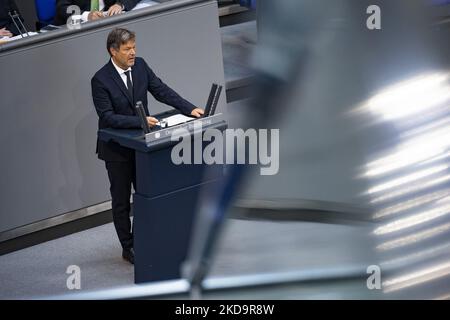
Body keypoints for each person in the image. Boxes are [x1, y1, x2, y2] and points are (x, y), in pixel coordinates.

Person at [91, 28, 204, 264]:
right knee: (122, 200)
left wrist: (189, 108)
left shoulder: (140, 65)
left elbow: (161, 90)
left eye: (134, 47)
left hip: (144, 146)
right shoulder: (100, 80)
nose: (133, 52)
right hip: (117, 150)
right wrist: (140, 121)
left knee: (147, 196)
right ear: (113, 51)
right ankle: (128, 247)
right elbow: (107, 117)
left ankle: (148, 238)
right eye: (127, 49)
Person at [54, 0, 140, 25]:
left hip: (105, 24)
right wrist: (87, 15)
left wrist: (119, 5)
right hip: (74, 26)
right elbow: (62, 8)